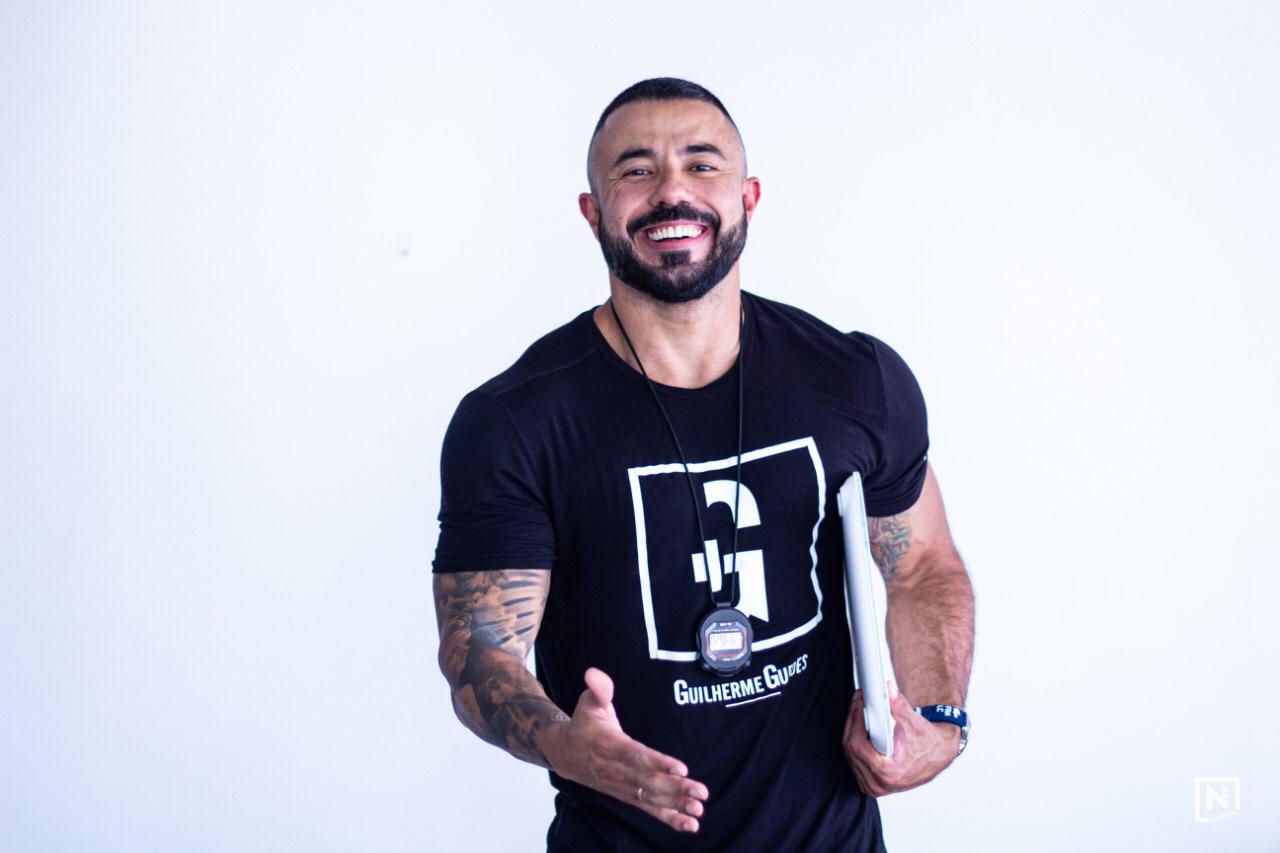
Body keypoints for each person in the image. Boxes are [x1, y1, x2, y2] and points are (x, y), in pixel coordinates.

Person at [432, 77, 975, 852]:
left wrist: (940, 720)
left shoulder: (852, 380)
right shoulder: (515, 421)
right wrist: (562, 743)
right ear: (592, 212)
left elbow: (921, 564)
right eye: (636, 169)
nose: (671, 190)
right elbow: (481, 645)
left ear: (749, 196)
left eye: (701, 164)